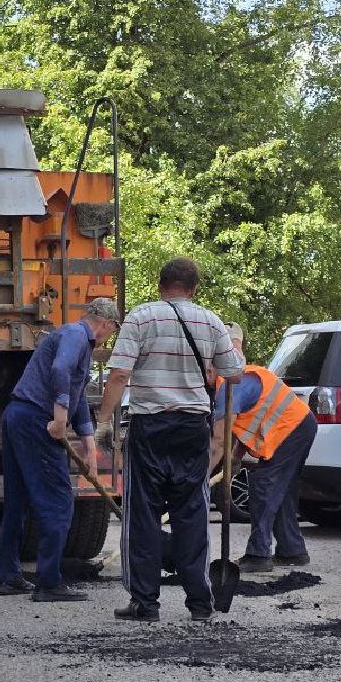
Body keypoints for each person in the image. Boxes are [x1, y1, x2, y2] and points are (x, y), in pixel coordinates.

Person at [96, 257, 244, 622]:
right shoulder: (210, 321)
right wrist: (229, 348)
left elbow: (119, 375)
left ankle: (145, 604)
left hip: (150, 427)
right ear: (194, 289)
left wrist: (104, 422)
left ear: (160, 284)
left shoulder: (141, 317)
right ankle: (200, 604)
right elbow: (234, 373)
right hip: (193, 428)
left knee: (143, 516)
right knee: (192, 513)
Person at [0, 297, 121, 602]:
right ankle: (48, 583)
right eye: (113, 329)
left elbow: (78, 395)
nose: (111, 335)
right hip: (36, 420)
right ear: (107, 324)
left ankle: (9, 576)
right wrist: (60, 416)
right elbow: (60, 369)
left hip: (18, 415)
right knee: (59, 501)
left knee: (18, 500)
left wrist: (89, 446)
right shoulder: (76, 335)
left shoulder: (75, 339)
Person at [210, 323, 316, 572]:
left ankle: (258, 555)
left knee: (264, 487)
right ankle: (292, 551)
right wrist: (235, 458)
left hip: (293, 429)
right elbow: (243, 428)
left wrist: (201, 477)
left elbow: (218, 440)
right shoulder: (233, 382)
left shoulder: (232, 385)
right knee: (282, 491)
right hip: (298, 426)